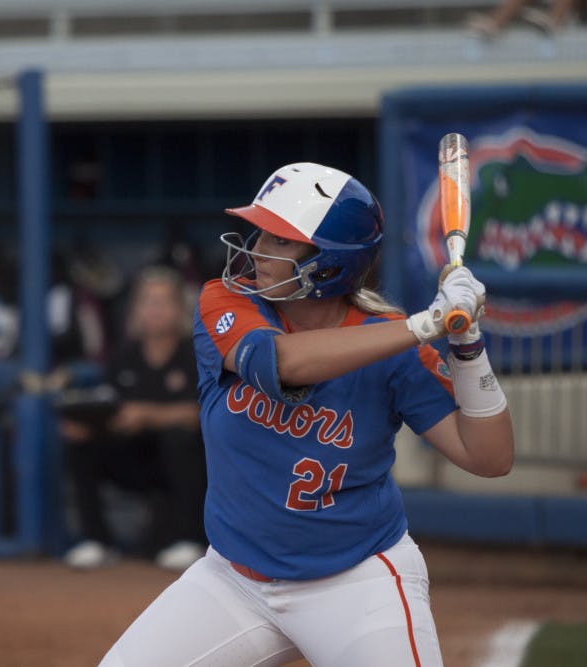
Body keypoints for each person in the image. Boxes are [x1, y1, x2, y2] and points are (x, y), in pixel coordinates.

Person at [98, 163, 515, 666]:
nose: (257, 251)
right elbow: (283, 364)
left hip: (356, 582)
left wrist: (467, 341)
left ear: (329, 265)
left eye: (280, 242)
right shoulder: (223, 300)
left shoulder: (395, 346)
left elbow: (489, 457)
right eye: (261, 234)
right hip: (233, 579)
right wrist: (426, 323)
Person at [62, 265, 206, 571]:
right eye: (147, 301)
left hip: (183, 465)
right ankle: (97, 540)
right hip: (132, 458)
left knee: (181, 438)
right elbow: (109, 404)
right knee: (78, 440)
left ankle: (189, 540)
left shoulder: (194, 354)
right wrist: (91, 422)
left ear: (179, 308)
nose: (154, 310)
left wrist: (149, 415)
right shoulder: (123, 355)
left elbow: (201, 414)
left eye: (163, 301)